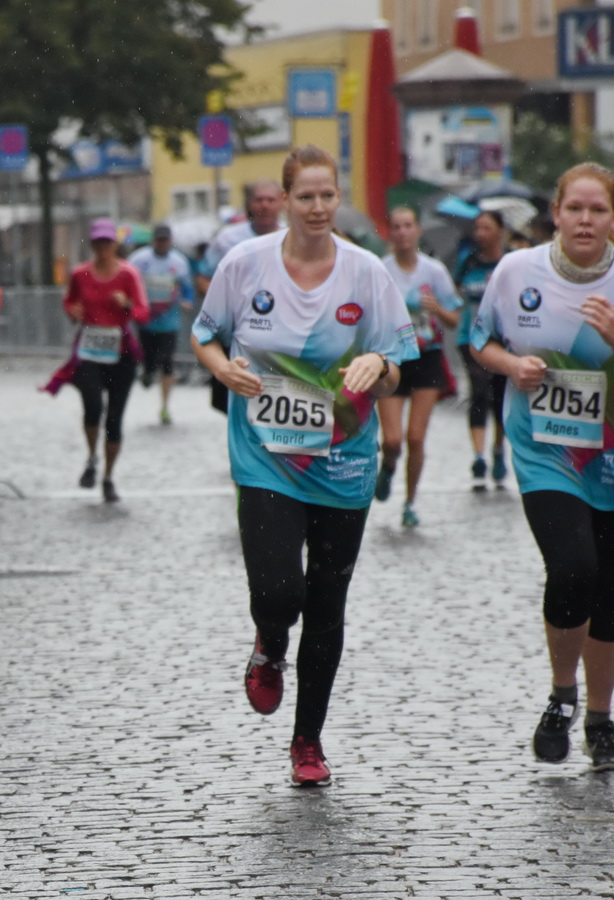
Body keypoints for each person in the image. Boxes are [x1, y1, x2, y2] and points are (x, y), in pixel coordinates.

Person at [191, 144, 417, 786]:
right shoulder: (245, 264)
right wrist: (222, 367)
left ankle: (308, 741)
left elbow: (400, 366)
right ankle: (268, 644)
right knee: (278, 592)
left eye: (328, 196)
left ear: (338, 200)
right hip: (265, 458)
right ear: (284, 201)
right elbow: (204, 333)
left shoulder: (367, 272)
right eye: (305, 196)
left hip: (343, 464)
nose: (318, 208)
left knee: (326, 602)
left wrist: (379, 369)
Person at [469, 163, 614, 771]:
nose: (586, 220)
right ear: (557, 214)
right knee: (573, 568)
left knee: (610, 587)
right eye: (575, 209)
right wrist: (513, 368)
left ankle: (600, 718)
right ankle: (561, 695)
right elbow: (480, 341)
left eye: (598, 211)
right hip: (546, 451)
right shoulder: (517, 272)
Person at [376, 205, 461, 526]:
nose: (402, 233)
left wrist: (436, 307)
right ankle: (388, 466)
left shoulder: (434, 271)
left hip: (427, 358)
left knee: (415, 437)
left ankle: (410, 502)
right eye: (396, 227)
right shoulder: (381, 269)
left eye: (408, 226)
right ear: (390, 234)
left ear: (417, 231)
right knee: (393, 440)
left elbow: (454, 320)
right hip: (393, 357)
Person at [62, 218, 149, 503]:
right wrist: (73, 311)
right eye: (97, 242)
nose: (102, 247)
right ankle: (91, 457)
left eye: (107, 242)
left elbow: (143, 313)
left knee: (114, 419)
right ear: (92, 244)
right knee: (92, 406)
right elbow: (69, 302)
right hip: (89, 351)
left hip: (121, 353)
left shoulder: (128, 275)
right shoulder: (80, 274)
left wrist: (126, 304)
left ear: (115, 244)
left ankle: (108, 477)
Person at [198, 182, 285, 414]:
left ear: (282, 202)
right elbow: (203, 278)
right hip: (237, 334)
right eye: (259, 200)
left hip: (282, 333)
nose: (264, 205)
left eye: (270, 199)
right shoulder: (228, 240)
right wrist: (227, 303)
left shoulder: (293, 236)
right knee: (233, 400)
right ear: (248, 204)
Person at [455, 210, 510, 488]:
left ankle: (499, 449)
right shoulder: (468, 261)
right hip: (470, 336)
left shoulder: (510, 262)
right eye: (477, 228)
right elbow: (457, 292)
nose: (480, 234)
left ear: (500, 230)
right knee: (478, 391)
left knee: (501, 396)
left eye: (486, 228)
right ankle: (478, 456)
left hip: (502, 339)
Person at [128, 223, 195, 425]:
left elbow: (187, 287)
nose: (163, 244)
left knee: (167, 361)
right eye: (160, 240)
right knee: (149, 359)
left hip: (170, 322)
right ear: (153, 240)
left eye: (166, 240)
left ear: (170, 241)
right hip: (146, 321)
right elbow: (129, 282)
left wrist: (187, 301)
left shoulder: (179, 261)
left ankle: (165, 406)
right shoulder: (139, 260)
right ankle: (148, 372)